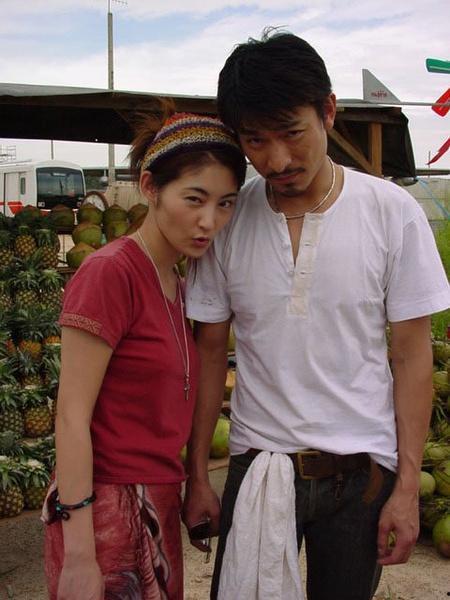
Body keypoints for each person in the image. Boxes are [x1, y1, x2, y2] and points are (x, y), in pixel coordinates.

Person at [182, 31, 450, 600]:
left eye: (291, 132)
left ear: (327, 111)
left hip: (361, 476)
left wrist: (407, 487)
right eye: (255, 140)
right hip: (257, 465)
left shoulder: (391, 213)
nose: (276, 159)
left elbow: (412, 357)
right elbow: (209, 352)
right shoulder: (229, 220)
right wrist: (198, 475)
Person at [42, 109, 247, 600]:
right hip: (105, 511)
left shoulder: (177, 282)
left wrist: (192, 483)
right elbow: (70, 416)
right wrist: (79, 555)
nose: (209, 221)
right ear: (151, 187)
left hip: (156, 501)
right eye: (194, 199)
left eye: (224, 204)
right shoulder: (110, 273)